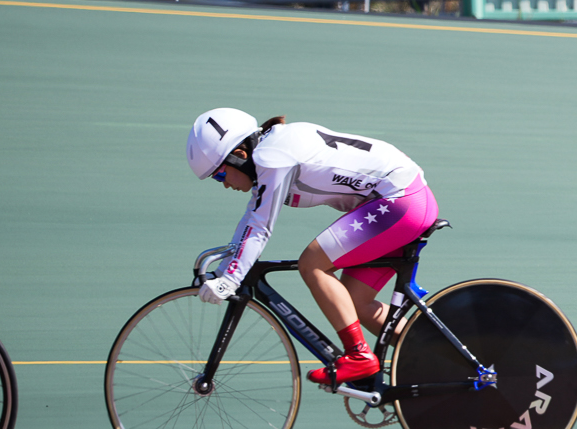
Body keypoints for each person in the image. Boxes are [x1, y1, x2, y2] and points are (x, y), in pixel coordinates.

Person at [186, 109, 439, 385]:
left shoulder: (271, 157)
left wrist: (231, 278)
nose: (224, 185)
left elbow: (260, 227)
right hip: (400, 202)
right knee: (355, 303)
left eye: (220, 175)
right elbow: (251, 221)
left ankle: (358, 356)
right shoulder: (270, 151)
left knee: (312, 263)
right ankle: (442, 357)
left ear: (240, 154)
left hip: (400, 201)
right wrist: (226, 273)